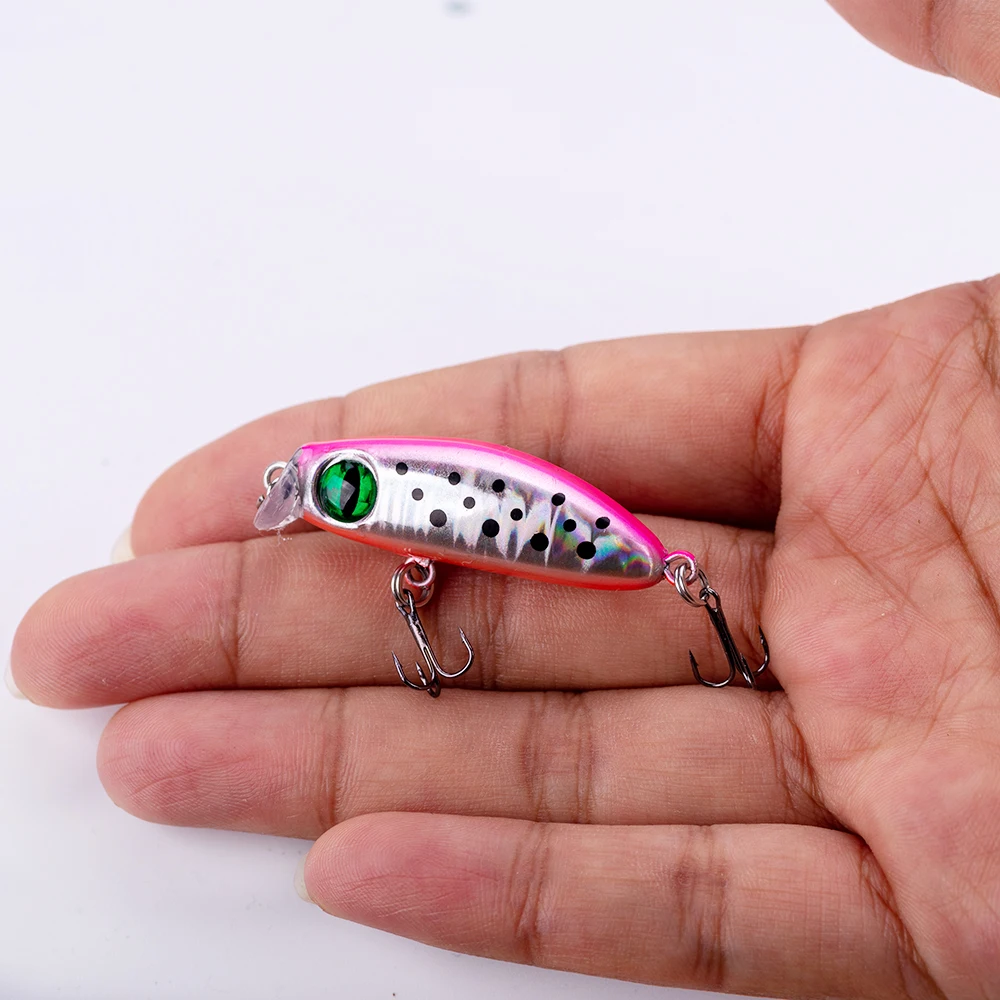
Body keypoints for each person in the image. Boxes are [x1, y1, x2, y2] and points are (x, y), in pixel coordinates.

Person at [9, 2, 1000, 996]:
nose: (314, 495)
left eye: (309, 488)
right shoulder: (351, 494)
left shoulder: (383, 491)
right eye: (312, 491)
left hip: (591, 543)